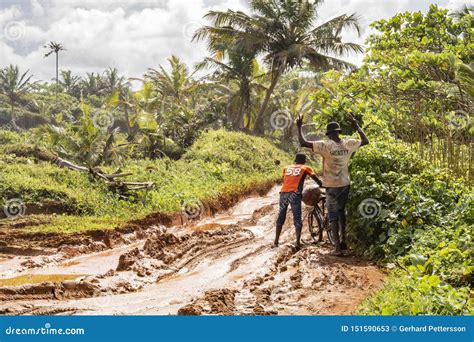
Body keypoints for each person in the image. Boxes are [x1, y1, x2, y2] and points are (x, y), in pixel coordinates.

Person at [296, 115, 369, 256]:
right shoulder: (349, 143)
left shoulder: (325, 145)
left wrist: (299, 127)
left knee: (333, 216)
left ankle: (336, 248)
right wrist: (357, 127)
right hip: (345, 184)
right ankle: (344, 243)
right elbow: (366, 141)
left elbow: (303, 143)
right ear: (339, 132)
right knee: (341, 213)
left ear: (329, 134)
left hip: (332, 186)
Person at [274, 153, 322, 250]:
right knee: (297, 217)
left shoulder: (286, 168)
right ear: (304, 161)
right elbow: (317, 180)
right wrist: (323, 185)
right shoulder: (306, 168)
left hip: (283, 193)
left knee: (281, 216)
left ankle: (275, 242)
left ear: (295, 160)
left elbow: (287, 180)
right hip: (295, 194)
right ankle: (297, 242)